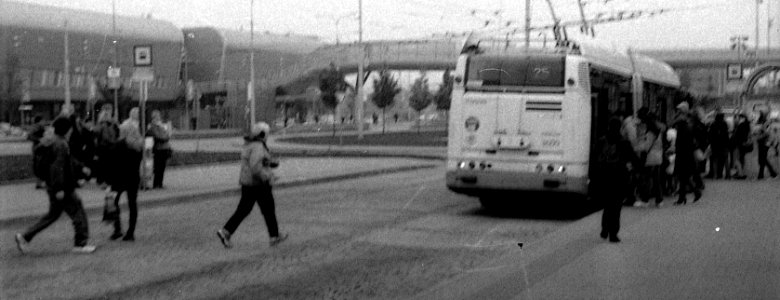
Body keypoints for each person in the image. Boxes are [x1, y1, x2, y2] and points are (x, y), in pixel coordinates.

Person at [15, 117, 97, 254]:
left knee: (52, 215)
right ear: (67, 130)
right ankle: (80, 243)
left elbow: (66, 161)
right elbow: (57, 167)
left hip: (52, 185)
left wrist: (81, 168)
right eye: (70, 128)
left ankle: (25, 237)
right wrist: (59, 188)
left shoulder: (53, 142)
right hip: (63, 187)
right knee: (77, 211)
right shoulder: (62, 144)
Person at [217, 122, 288, 248]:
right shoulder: (258, 146)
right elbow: (255, 167)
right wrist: (267, 176)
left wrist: (269, 163)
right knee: (268, 209)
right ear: (263, 134)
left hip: (248, 183)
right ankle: (274, 236)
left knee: (244, 209)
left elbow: (256, 162)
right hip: (258, 184)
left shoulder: (250, 144)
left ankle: (226, 232)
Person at [596, 117, 636, 243]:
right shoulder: (624, 142)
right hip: (619, 177)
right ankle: (613, 233)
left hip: (605, 176)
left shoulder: (601, 141)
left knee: (607, 204)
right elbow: (633, 157)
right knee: (616, 206)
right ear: (620, 127)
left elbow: (595, 157)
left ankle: (604, 229)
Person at [110, 107, 144, 241]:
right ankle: (130, 232)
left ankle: (117, 228)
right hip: (133, 177)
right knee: (132, 204)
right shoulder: (138, 146)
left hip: (118, 177)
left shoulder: (118, 145)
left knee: (113, 202)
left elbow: (112, 163)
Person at [672, 102, 702, 205]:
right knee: (683, 177)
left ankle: (688, 195)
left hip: (683, 154)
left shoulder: (682, 125)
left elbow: (681, 142)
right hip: (686, 154)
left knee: (682, 177)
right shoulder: (686, 125)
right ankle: (687, 195)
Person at [93, 107, 119, 187]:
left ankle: (104, 180)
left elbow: (116, 132)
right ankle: (104, 181)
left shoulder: (110, 124)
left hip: (105, 147)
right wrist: (114, 141)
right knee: (105, 164)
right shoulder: (104, 124)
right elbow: (105, 137)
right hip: (105, 147)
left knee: (105, 164)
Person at [146, 110, 172, 189]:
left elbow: (167, 134)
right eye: (156, 116)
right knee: (158, 167)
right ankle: (156, 184)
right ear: (153, 117)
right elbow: (157, 136)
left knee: (162, 167)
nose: (158, 118)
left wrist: (165, 136)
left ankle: (160, 183)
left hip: (164, 149)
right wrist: (165, 137)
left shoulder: (161, 125)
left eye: (159, 116)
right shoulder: (152, 126)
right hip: (158, 149)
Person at [755, 111, 778, 179]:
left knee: (762, 159)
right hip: (762, 142)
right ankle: (771, 173)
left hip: (765, 143)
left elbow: (767, 133)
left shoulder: (766, 123)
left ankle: (769, 174)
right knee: (762, 159)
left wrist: (761, 132)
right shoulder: (762, 123)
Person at [707, 112, 731, 179]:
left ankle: (715, 175)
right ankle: (728, 175)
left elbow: (710, 135)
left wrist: (711, 143)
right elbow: (726, 134)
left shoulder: (713, 124)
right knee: (726, 159)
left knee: (715, 160)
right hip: (724, 144)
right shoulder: (724, 124)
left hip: (715, 145)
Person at [27, 115, 48, 189]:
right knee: (40, 165)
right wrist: (39, 139)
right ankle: (39, 183)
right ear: (39, 121)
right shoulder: (36, 127)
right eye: (43, 121)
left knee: (40, 165)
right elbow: (29, 136)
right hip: (38, 148)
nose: (44, 122)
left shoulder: (40, 127)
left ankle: (39, 183)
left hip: (40, 148)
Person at [731, 114, 751, 179]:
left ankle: (740, 174)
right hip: (742, 145)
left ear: (742, 118)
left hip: (738, 145)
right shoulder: (746, 125)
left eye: (738, 118)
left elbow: (740, 136)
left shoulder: (741, 125)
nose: (737, 119)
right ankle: (740, 173)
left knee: (736, 159)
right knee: (740, 159)